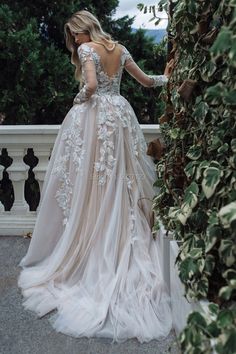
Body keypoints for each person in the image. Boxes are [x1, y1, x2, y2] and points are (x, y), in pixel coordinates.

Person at [17, 10, 173, 343]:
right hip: (121, 117)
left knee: (96, 182)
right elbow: (146, 82)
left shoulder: (88, 51)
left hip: (97, 119)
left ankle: (97, 245)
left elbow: (89, 84)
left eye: (74, 35)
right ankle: (118, 239)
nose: (74, 42)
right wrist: (168, 78)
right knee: (121, 181)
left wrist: (79, 100)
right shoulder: (120, 48)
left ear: (84, 30)